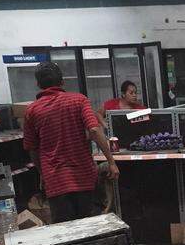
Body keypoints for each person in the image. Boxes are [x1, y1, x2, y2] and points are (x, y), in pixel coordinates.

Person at [24, 61, 120, 224]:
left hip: (55, 182)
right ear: (62, 82)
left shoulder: (32, 110)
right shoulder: (79, 101)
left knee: (66, 232)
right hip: (84, 178)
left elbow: (31, 148)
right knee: (90, 228)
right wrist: (111, 162)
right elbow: (95, 130)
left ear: (38, 84)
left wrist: (43, 173)